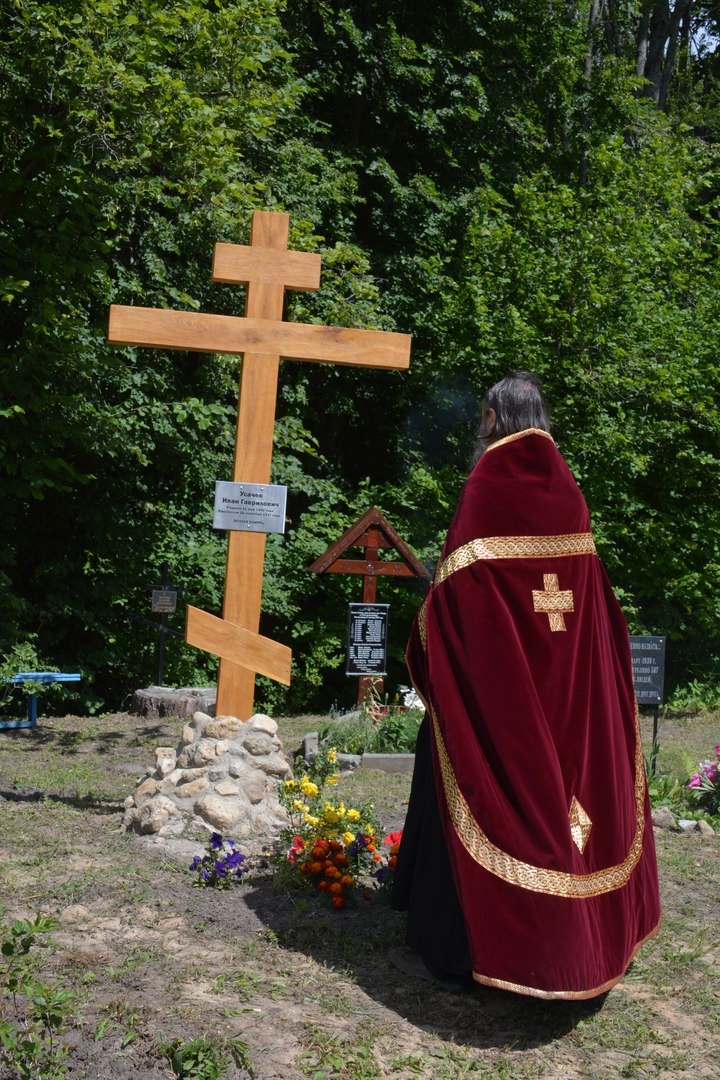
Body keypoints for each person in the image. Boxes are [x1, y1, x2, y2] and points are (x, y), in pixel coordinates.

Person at [391, 372, 661, 999]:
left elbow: (456, 605)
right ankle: (589, 940)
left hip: (499, 695)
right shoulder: (569, 491)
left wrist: (430, 648)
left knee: (469, 777)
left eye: (482, 417)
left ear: (492, 418)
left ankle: (460, 949)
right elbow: (598, 615)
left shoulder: (487, 487)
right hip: (569, 697)